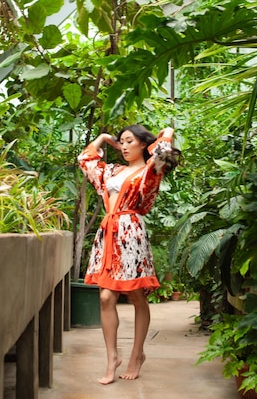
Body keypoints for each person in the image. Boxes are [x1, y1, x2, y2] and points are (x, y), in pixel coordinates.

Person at [77, 124, 180, 384]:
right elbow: (86, 161)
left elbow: (164, 153)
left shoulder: (150, 171)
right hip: (109, 235)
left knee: (136, 295)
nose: (123, 146)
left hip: (131, 234)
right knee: (105, 296)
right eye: (120, 141)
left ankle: (137, 354)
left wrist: (166, 131)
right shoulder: (113, 171)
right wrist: (102, 138)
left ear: (143, 144)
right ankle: (112, 358)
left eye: (129, 141)